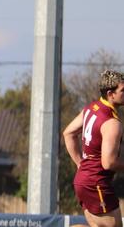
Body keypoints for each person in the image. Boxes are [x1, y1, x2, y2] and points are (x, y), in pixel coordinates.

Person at [63, 70, 124, 227]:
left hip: (84, 181)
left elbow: (68, 133)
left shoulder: (92, 107)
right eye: (123, 90)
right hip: (97, 184)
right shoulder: (112, 123)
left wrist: (80, 164)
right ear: (111, 93)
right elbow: (108, 163)